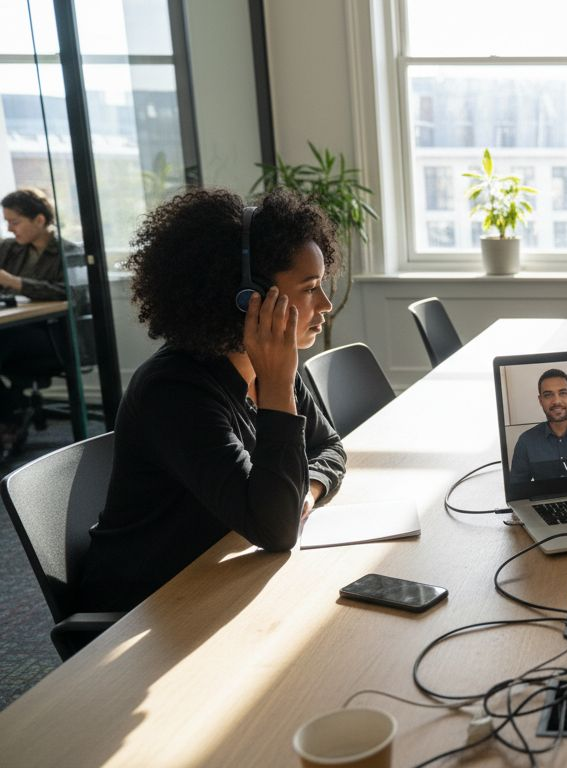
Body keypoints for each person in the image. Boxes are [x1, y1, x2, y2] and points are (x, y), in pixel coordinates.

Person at [77, 187, 347, 613]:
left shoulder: (265, 364)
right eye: (311, 287)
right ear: (249, 298)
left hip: (221, 569)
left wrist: (308, 492)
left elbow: (329, 447)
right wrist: (277, 387)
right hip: (148, 605)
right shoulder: (174, 391)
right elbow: (276, 530)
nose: (326, 304)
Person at [0, 188, 70, 452]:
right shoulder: (9, 249)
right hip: (13, 331)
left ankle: (10, 415)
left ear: (39, 220)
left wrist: (15, 282)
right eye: (6, 222)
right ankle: (11, 412)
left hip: (51, 337)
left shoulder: (67, 252)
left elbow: (66, 291)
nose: (9, 229)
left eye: (14, 222)